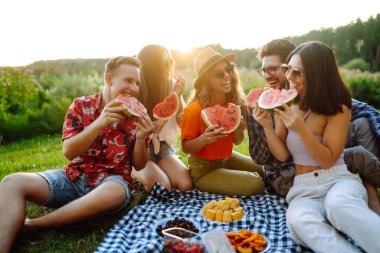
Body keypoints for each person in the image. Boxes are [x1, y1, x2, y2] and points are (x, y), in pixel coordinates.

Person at [0, 56, 153, 252]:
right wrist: (100, 122)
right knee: (12, 182)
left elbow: (139, 165)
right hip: (73, 178)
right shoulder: (81, 106)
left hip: (113, 182)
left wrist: (141, 138)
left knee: (114, 192)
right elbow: (69, 152)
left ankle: (34, 225)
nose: (134, 87)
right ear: (108, 79)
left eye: (137, 82)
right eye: (128, 80)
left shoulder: (137, 117)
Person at [258, 41, 380, 253]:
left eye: (298, 73)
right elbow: (281, 154)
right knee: (299, 222)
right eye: (288, 69)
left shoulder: (338, 108)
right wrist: (267, 126)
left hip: (337, 179)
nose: (289, 78)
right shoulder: (287, 104)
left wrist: (300, 129)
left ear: (317, 76)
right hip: (302, 189)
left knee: (338, 206)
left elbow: (328, 159)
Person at [181, 47, 264, 196]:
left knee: (265, 170)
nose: (227, 76)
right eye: (219, 73)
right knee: (256, 184)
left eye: (229, 69)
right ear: (207, 80)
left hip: (226, 158)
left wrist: (238, 130)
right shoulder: (194, 109)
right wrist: (203, 140)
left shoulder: (233, 104)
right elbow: (186, 147)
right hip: (203, 170)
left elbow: (238, 142)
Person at [131, 44, 192, 192]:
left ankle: (157, 171)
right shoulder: (135, 91)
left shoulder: (173, 86)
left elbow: (181, 123)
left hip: (164, 149)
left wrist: (177, 95)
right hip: (139, 152)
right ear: (152, 66)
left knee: (186, 185)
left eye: (170, 61)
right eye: (165, 63)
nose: (170, 66)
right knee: (163, 187)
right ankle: (136, 176)